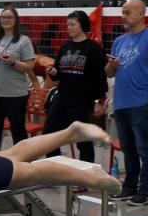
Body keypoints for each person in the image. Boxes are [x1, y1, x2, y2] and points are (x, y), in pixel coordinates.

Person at [105, 0, 148, 206]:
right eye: (122, 12)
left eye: (127, 12)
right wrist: (112, 65)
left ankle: (145, 190)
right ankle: (129, 187)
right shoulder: (119, 41)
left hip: (140, 103)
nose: (123, 16)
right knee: (128, 148)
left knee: (144, 148)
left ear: (141, 14)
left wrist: (146, 88)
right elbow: (108, 72)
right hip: (122, 102)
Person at [44, 10, 108, 162]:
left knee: (83, 141)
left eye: (73, 24)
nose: (69, 27)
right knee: (49, 133)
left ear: (83, 25)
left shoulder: (93, 49)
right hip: (62, 98)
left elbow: (100, 77)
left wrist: (99, 101)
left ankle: (85, 175)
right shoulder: (65, 47)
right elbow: (58, 73)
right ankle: (55, 169)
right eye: (68, 25)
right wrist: (53, 72)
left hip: (82, 101)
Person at [0, 5, 36, 151]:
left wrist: (13, 62)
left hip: (16, 94)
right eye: (3, 17)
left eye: (9, 17)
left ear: (16, 20)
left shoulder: (23, 41)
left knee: (18, 131)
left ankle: (22, 163)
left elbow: (30, 66)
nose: (6, 20)